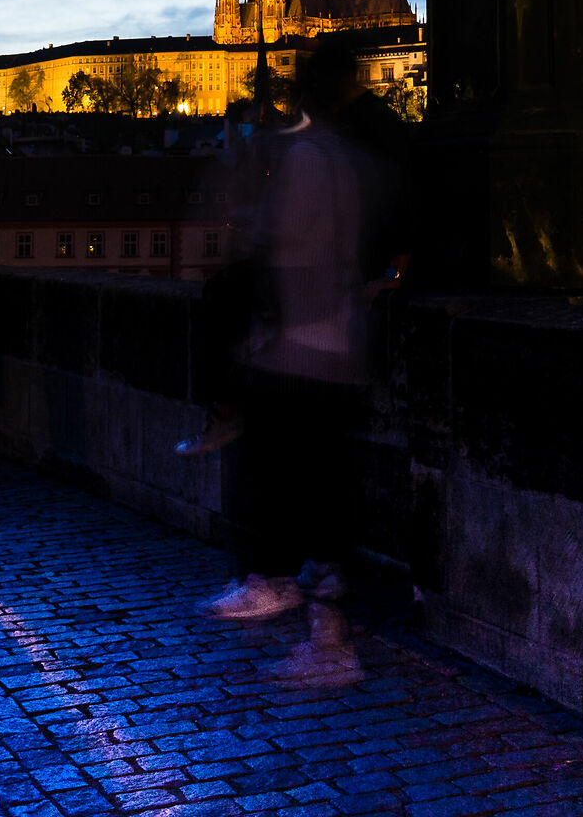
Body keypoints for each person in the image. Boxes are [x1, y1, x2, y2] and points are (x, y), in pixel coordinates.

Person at [199, 36, 400, 687]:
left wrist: (253, 224)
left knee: (283, 481)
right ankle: (322, 627)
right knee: (323, 495)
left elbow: (290, 250)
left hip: (303, 347)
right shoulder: (348, 156)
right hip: (340, 345)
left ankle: (282, 591)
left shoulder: (310, 156)